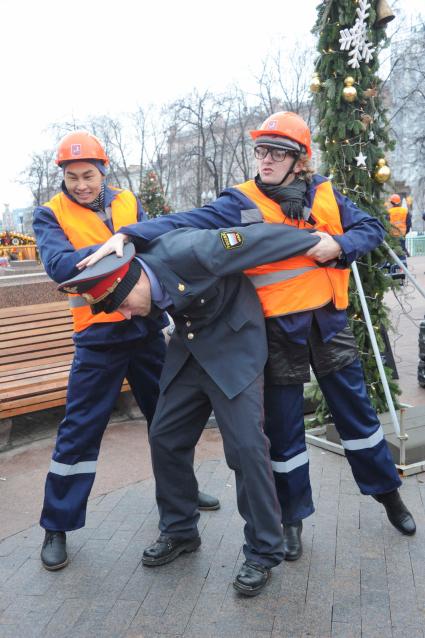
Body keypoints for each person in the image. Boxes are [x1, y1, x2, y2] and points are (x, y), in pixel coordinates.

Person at [83, 111, 416, 564]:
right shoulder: (238, 200)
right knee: (283, 433)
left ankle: (388, 496)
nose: (266, 159)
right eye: (261, 150)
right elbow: (187, 221)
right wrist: (127, 234)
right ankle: (291, 520)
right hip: (278, 332)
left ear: (300, 159)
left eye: (277, 152)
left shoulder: (325, 193)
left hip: (328, 324)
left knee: (358, 418)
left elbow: (371, 228)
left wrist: (340, 246)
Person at [61, 221, 321, 595]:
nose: (129, 316)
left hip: (234, 346)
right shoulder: (140, 267)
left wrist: (319, 242)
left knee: (246, 449)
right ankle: (180, 530)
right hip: (191, 348)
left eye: (125, 307)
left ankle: (264, 550)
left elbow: (261, 238)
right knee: (165, 436)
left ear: (133, 283)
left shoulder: (199, 248)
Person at [32, 130, 218, 572]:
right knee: (80, 431)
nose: (81, 185)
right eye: (73, 177)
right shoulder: (49, 214)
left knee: (169, 420)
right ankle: (57, 525)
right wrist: (125, 245)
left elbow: (157, 241)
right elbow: (60, 266)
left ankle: (182, 496)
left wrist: (116, 247)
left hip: (146, 328)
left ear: (103, 171)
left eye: (89, 175)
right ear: (62, 176)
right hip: (98, 338)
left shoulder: (127, 201)